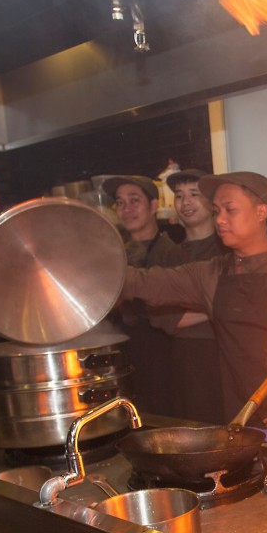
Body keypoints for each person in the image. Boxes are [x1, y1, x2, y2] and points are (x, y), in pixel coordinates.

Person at [121, 172, 267, 429]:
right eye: (216, 211)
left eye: (230, 209)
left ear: (261, 212)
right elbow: (143, 281)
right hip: (240, 420)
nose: (220, 220)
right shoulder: (211, 274)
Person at [103, 174, 179, 417]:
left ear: (154, 206)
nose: (127, 209)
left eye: (134, 200)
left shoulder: (171, 254)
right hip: (124, 359)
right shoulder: (112, 255)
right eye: (120, 202)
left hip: (163, 362)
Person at [158, 168, 226, 424]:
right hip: (186, 361)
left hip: (224, 354)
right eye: (179, 195)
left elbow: (236, 303)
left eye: (194, 194)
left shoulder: (226, 248)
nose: (185, 202)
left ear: (211, 202)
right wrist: (214, 306)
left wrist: (199, 307)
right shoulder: (169, 256)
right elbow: (166, 320)